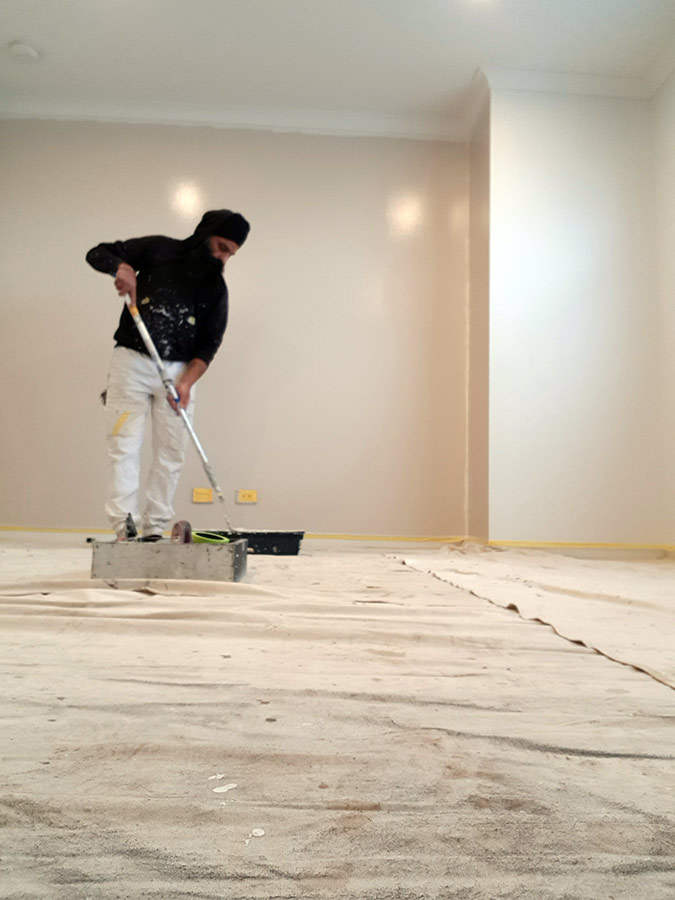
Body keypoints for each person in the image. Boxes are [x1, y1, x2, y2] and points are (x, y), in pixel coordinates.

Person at [86, 209, 250, 541]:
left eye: (230, 254)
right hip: (131, 362)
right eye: (221, 247)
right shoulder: (159, 250)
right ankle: (125, 529)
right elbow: (98, 252)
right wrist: (121, 268)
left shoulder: (216, 288)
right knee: (123, 445)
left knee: (172, 452)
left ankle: (154, 529)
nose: (222, 258)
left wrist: (187, 382)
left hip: (179, 373)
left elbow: (208, 345)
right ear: (205, 234)